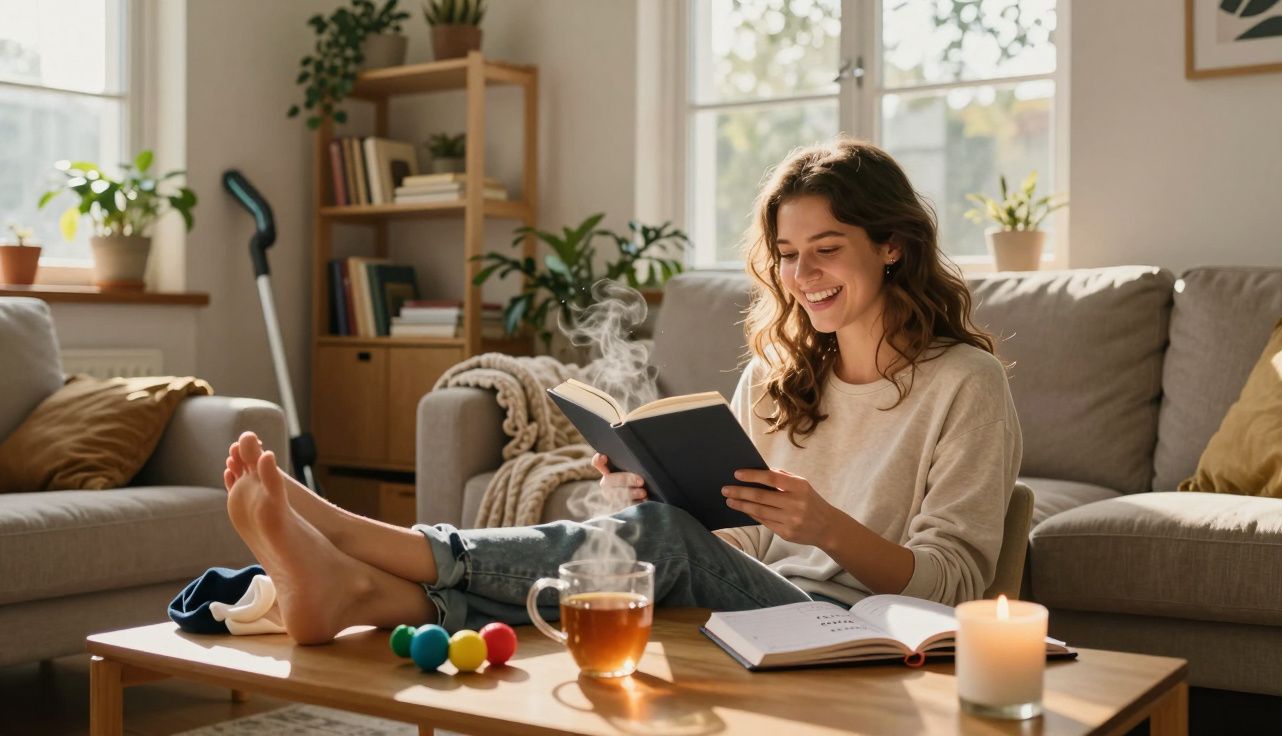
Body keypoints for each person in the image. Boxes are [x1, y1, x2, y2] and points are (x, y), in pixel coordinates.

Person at [223, 138, 1021, 645]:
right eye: (785, 254)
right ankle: (362, 592)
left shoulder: (965, 385)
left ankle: (367, 546)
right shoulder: (776, 377)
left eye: (826, 249)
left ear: (891, 246)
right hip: (759, 609)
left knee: (665, 539)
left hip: (863, 630)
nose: (801, 277)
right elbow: (730, 549)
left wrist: (827, 526)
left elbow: (957, 582)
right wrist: (645, 493)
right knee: (654, 529)